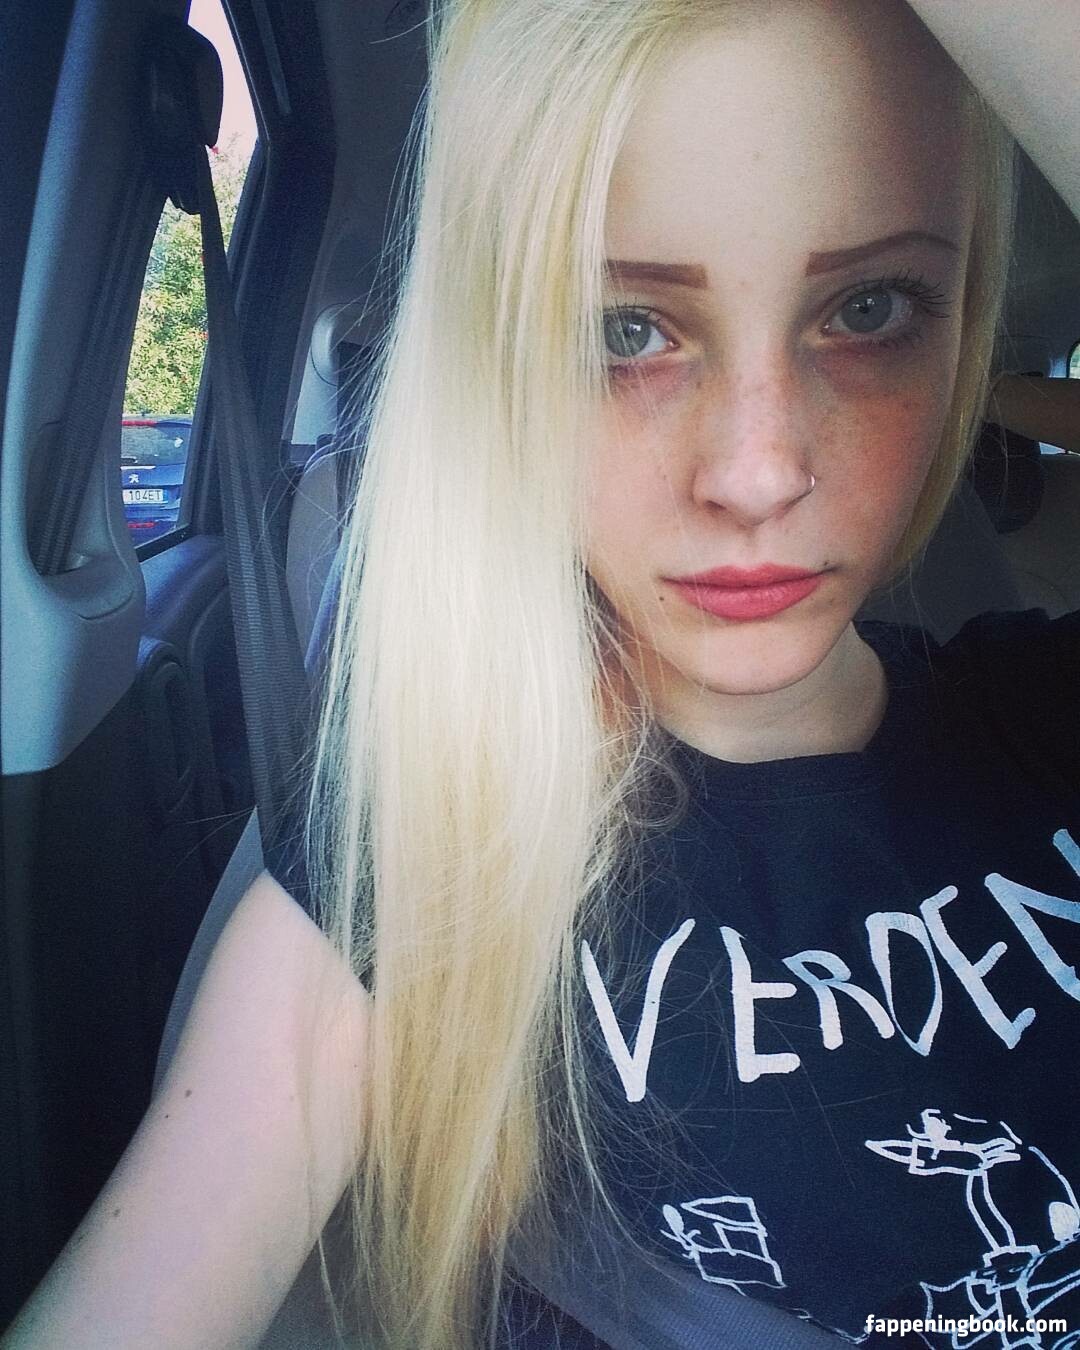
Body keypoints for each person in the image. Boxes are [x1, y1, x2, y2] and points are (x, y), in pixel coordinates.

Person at [5, 1, 1079, 1348]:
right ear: (499, 364)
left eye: (869, 310)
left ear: (962, 321)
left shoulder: (1046, 718)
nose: (759, 471)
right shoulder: (426, 855)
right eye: (626, 329)